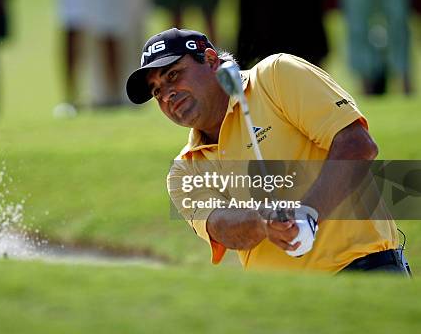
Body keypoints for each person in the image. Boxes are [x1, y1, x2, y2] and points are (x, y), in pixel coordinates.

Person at [126, 28, 410, 274]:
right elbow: (220, 227)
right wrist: (264, 222)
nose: (167, 95)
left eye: (173, 75)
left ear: (211, 61)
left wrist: (307, 215)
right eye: (157, 91)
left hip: (365, 270)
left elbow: (357, 145)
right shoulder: (184, 170)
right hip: (286, 308)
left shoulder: (276, 76)